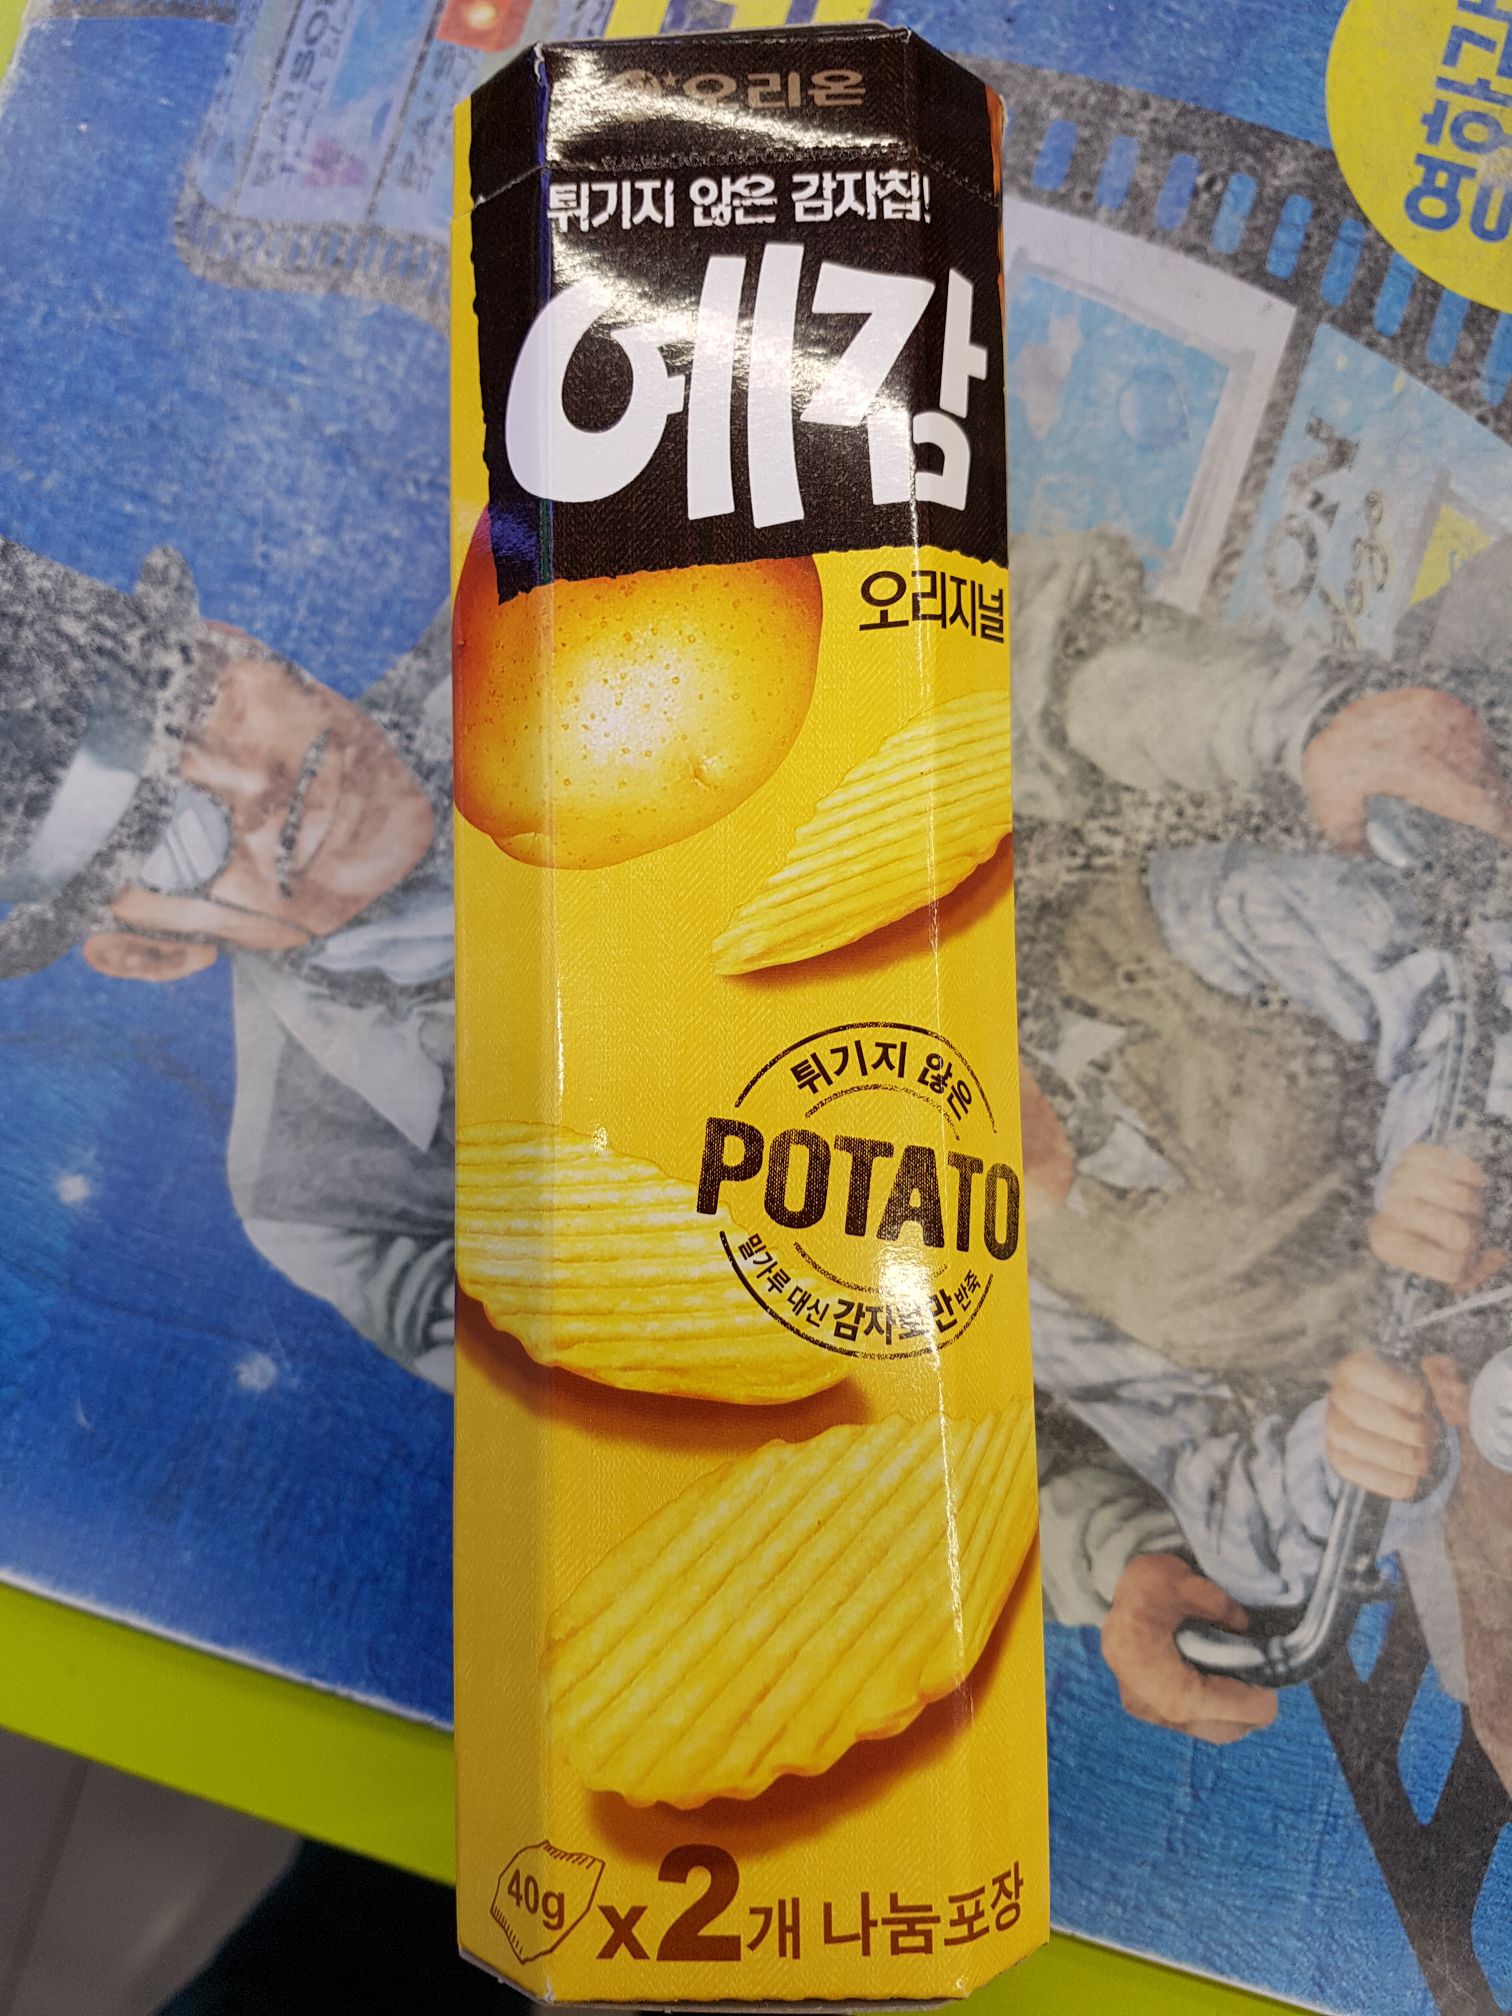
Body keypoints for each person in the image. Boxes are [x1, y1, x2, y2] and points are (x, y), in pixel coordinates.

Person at [1012, 528, 1512, 1750]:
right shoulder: (1034, 1308)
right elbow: (1221, 1501)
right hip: (1459, 1397)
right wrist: (1356, 1452)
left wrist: (1444, 1173)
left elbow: (1416, 960)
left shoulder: (1141, 930)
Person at [0, 537, 455, 1384]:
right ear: (149, 954)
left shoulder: (529, 605)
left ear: (235, 639)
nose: (260, 787)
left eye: (200, 695)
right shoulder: (322, 1200)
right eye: (175, 839)